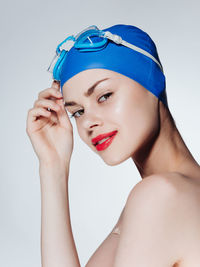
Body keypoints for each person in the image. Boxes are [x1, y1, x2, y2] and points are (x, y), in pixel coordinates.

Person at [26, 24, 200, 267]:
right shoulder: (174, 192)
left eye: (104, 96)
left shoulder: (160, 196)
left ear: (152, 79)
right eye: (77, 112)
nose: (89, 122)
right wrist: (53, 165)